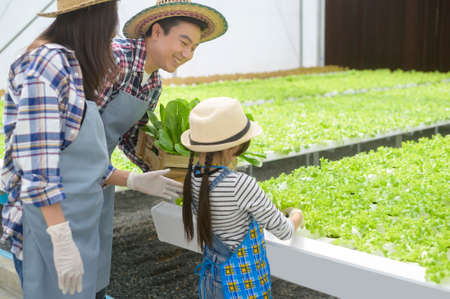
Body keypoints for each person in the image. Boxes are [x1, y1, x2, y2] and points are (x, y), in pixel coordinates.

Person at [0, 0, 181, 298]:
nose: (113, 34)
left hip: (75, 211)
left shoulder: (72, 65)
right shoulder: (46, 63)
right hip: (46, 221)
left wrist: (133, 179)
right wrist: (60, 238)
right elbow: (37, 164)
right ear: (92, 19)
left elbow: (77, 153)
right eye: (111, 21)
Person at [94, 0, 228, 296]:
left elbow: (133, 138)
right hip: (70, 175)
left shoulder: (153, 82)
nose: (187, 54)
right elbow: (76, 135)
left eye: (194, 48)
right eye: (184, 42)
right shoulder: (115, 59)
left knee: (93, 266)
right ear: (156, 31)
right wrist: (130, 179)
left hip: (101, 178)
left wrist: (171, 171)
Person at [180, 97, 304, 298]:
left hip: (211, 281)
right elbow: (284, 231)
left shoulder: (192, 178)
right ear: (233, 147)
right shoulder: (240, 184)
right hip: (238, 286)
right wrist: (296, 214)